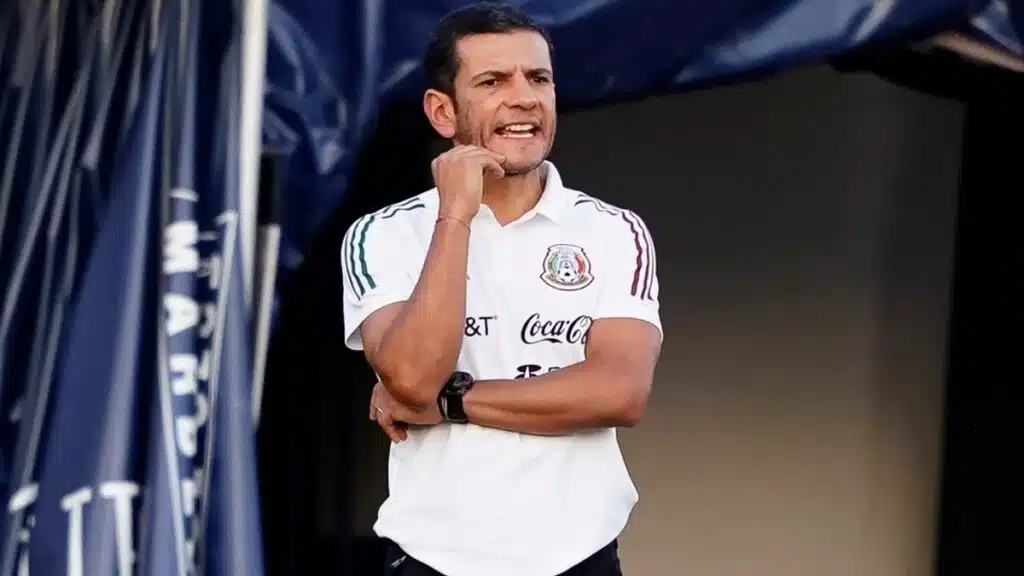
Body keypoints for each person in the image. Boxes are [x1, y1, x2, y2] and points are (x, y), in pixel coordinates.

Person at [340, 4, 663, 575]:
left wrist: (448, 403)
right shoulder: (381, 234)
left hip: (578, 556)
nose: (525, 98)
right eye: (493, 81)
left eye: (538, 79)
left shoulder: (614, 230)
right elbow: (411, 377)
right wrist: (455, 216)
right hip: (432, 559)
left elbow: (618, 392)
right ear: (443, 112)